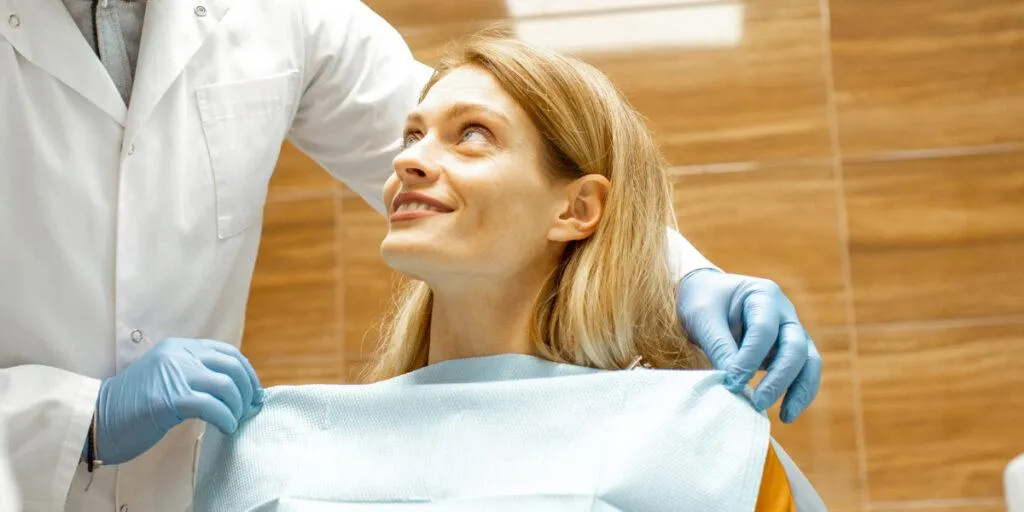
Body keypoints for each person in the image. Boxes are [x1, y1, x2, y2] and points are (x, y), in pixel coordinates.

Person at [0, 1, 820, 511]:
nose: (410, 161)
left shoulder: (702, 445)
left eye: (467, 137)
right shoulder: (272, 454)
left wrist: (685, 277)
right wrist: (72, 421)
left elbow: (461, 119)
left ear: (581, 208)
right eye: (410, 138)